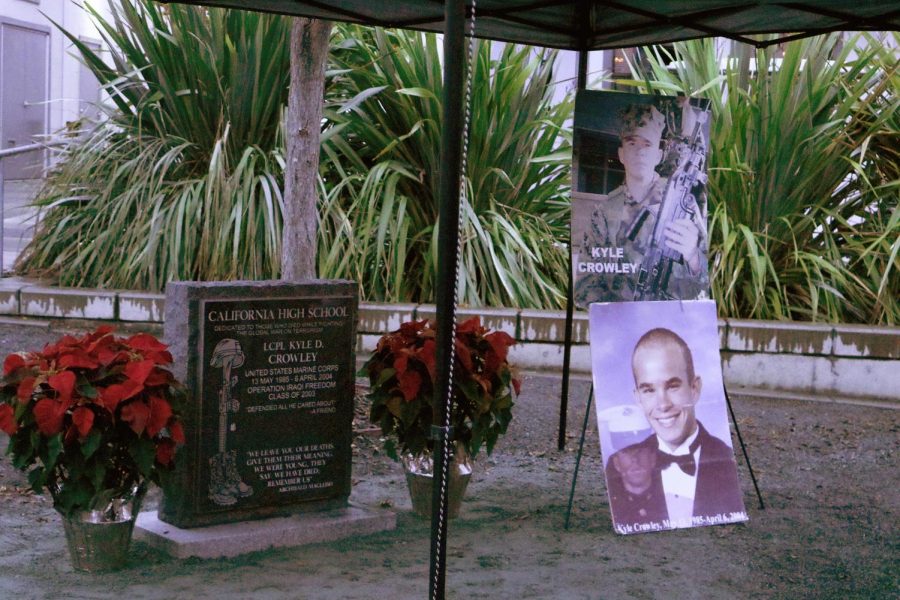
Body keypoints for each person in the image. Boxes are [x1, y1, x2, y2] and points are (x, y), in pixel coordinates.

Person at [605, 328, 745, 532]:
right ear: (638, 398)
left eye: (672, 386)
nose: (663, 404)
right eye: (649, 390)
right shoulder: (619, 465)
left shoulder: (724, 458)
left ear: (694, 388)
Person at [572, 100, 708, 304]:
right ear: (621, 154)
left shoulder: (682, 203)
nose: (640, 151)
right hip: (620, 324)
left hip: (673, 320)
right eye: (632, 143)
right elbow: (585, 289)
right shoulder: (604, 212)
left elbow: (704, 285)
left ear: (659, 155)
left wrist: (693, 257)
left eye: (648, 144)